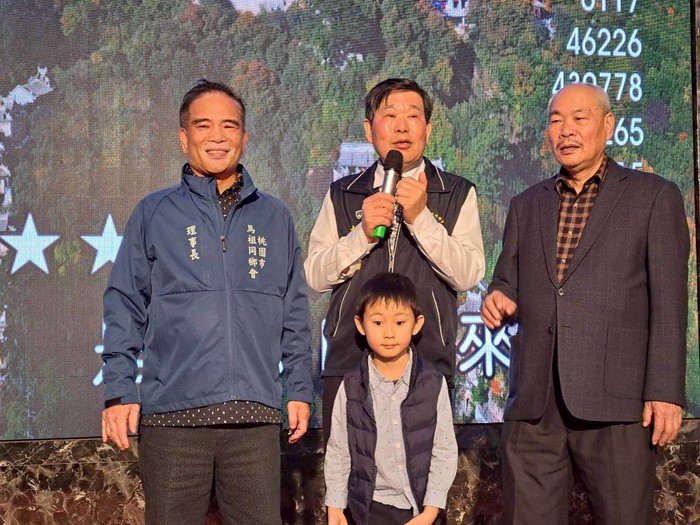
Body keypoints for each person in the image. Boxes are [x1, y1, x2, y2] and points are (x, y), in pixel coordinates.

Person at [100, 79, 312, 525]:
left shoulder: (275, 216)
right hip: (172, 416)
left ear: (244, 137)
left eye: (229, 126)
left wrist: (298, 388)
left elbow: (294, 309)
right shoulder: (155, 212)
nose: (217, 136)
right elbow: (125, 303)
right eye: (203, 125)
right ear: (184, 138)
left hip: (254, 416)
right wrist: (119, 389)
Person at [481, 83, 689, 525]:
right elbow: (506, 280)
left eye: (579, 118)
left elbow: (670, 301)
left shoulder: (654, 196)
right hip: (535, 404)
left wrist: (665, 390)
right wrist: (498, 296)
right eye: (556, 120)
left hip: (618, 402)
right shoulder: (526, 204)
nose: (566, 130)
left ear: (608, 126)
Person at [305, 78, 485, 440]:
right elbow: (314, 276)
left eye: (413, 116)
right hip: (349, 363)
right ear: (369, 129)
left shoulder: (456, 192)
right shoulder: (344, 193)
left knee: (422, 471)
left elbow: (468, 274)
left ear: (428, 129)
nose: (402, 126)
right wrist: (362, 235)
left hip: (427, 363)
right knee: (349, 470)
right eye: (390, 115)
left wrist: (421, 219)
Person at [325, 272, 457, 525]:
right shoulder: (351, 386)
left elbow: (444, 449)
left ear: (416, 324)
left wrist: (430, 512)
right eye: (377, 322)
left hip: (421, 509)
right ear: (360, 324)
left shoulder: (433, 382)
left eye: (399, 322)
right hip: (370, 509)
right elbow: (339, 450)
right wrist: (335, 506)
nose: (388, 333)